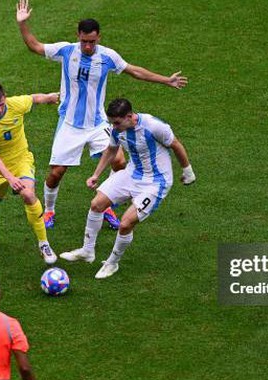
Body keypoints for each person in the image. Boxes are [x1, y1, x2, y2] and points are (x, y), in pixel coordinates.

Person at [16, 0, 189, 231]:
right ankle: (49, 210)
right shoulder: (66, 51)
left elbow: (135, 71)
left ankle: (107, 202)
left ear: (99, 37)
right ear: (78, 36)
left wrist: (166, 80)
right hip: (70, 124)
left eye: (92, 41)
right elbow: (34, 46)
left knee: (119, 161)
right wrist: (23, 24)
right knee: (57, 172)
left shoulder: (108, 57)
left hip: (98, 124)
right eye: (84, 41)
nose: (88, 46)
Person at [59, 98, 195, 278]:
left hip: (156, 182)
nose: (113, 127)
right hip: (132, 173)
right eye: (112, 123)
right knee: (96, 204)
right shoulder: (118, 129)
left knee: (125, 223)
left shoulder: (154, 126)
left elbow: (176, 145)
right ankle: (87, 251)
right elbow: (111, 150)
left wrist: (188, 171)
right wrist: (96, 175)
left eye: (116, 123)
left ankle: (112, 263)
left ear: (130, 117)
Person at [0, 81, 58, 265]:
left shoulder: (15, 104)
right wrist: (10, 178)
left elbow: (34, 99)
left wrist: (49, 97)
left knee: (28, 194)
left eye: (2, 104)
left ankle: (44, 244)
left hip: (20, 161)